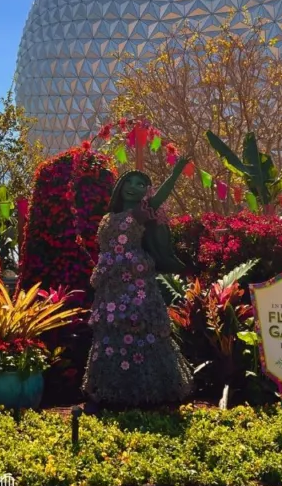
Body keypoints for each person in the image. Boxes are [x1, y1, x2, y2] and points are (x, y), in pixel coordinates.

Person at [82, 161, 196, 411]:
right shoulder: (108, 216)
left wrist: (175, 172)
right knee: (113, 326)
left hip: (134, 277)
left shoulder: (142, 212)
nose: (135, 187)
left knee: (139, 325)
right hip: (110, 279)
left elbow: (161, 197)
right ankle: (109, 389)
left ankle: (151, 390)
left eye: (141, 184)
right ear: (121, 186)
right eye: (130, 182)